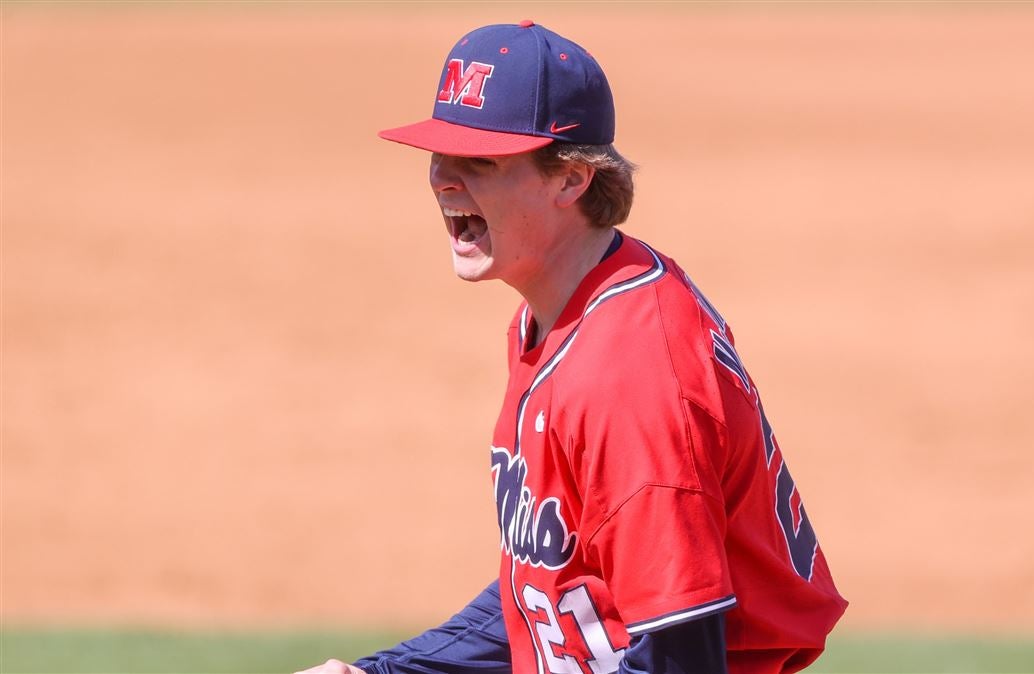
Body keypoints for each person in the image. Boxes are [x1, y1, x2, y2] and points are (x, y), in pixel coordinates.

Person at [298, 21, 847, 674]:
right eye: (439, 154)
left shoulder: (628, 375)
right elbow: (551, 587)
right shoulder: (565, 307)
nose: (442, 179)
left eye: (479, 161)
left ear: (571, 179)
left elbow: (680, 652)